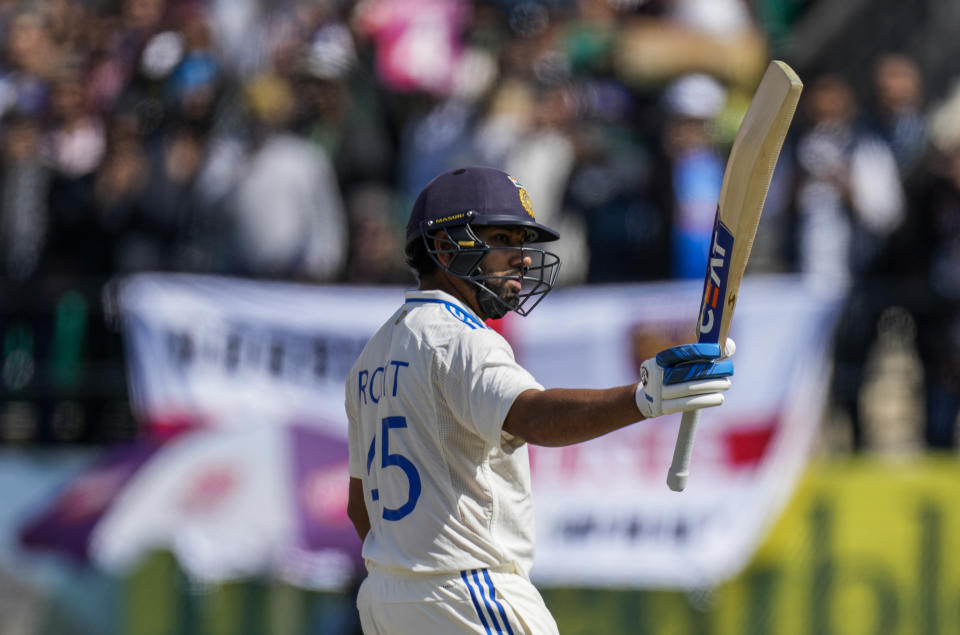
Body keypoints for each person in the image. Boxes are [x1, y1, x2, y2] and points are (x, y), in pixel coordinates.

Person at [344, 166, 734, 634]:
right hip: (468, 592)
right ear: (446, 248)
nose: (524, 259)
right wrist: (643, 398)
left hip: (387, 599)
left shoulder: (372, 357)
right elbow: (531, 414)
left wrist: (410, 567)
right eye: (504, 238)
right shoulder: (461, 339)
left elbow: (359, 506)